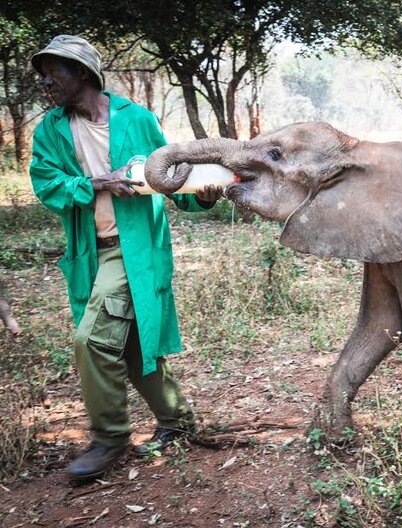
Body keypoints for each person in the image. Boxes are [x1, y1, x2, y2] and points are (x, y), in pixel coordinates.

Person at [29, 35, 223, 482]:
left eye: (52, 72)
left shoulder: (136, 119)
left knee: (91, 341)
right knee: (133, 347)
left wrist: (205, 198)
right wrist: (98, 182)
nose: (45, 82)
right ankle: (177, 422)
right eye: (42, 75)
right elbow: (47, 185)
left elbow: (169, 176)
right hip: (89, 254)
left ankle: (110, 438)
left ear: (81, 72)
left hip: (135, 251)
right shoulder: (50, 130)